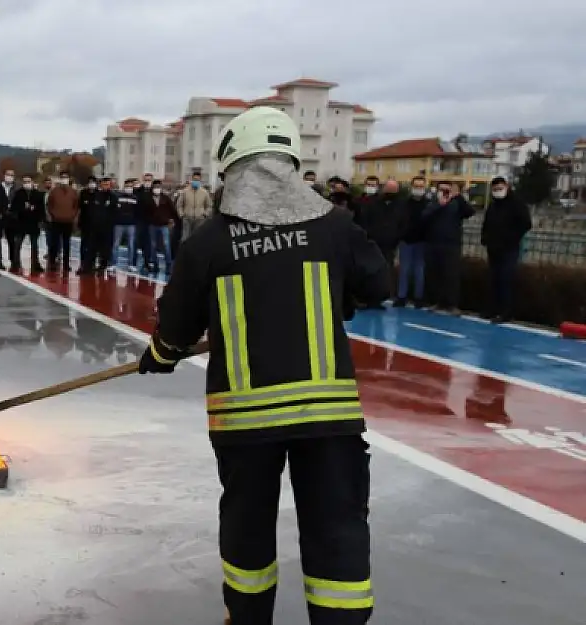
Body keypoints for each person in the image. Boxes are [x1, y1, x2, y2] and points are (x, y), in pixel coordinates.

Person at [137, 106, 388, 625]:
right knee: (337, 528)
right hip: (328, 420)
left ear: (231, 165)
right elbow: (379, 284)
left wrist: (159, 355)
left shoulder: (207, 242)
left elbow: (177, 326)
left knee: (247, 528)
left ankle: (248, 618)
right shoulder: (335, 227)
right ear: (291, 162)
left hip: (246, 424)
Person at [480, 176, 532, 322]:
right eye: (495, 189)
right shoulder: (493, 205)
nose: (498, 192)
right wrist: (484, 238)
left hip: (509, 249)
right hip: (493, 248)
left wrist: (512, 238)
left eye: (500, 189)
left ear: (507, 187)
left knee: (506, 279)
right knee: (494, 279)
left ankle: (505, 312)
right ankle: (492, 309)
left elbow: (526, 223)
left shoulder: (517, 204)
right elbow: (486, 223)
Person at [421, 182, 475, 315]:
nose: (445, 192)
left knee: (451, 275)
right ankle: (437, 302)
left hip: (452, 245)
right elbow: (424, 216)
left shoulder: (457, 203)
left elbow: (470, 212)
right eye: (442, 189)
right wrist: (439, 204)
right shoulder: (433, 202)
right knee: (435, 274)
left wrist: (459, 197)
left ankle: (452, 304)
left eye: (447, 189)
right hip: (433, 243)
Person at [357, 179, 407, 308]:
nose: (391, 192)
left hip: (390, 244)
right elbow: (364, 220)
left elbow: (403, 223)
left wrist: (397, 236)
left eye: (393, 190)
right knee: (369, 271)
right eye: (389, 189)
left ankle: (378, 299)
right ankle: (364, 298)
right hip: (372, 242)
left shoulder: (401, 205)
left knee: (385, 273)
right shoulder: (373, 203)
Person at [395, 176, 429, 308]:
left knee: (419, 270)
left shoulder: (429, 203)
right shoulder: (404, 203)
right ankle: (401, 297)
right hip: (406, 240)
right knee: (404, 269)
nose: (419, 189)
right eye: (416, 186)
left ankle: (418, 298)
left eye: (421, 186)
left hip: (422, 241)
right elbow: (398, 220)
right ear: (411, 187)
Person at [8, 174, 46, 274]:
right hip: (21, 223)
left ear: (32, 182)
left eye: (28, 181)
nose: (27, 183)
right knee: (17, 244)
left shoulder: (38, 194)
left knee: (34, 245)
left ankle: (35, 264)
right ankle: (15, 264)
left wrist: (36, 212)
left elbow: (42, 209)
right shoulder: (18, 194)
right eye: (25, 181)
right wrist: (23, 208)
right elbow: (13, 209)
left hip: (34, 223)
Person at [46, 170, 79, 272]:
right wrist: (52, 215)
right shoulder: (54, 191)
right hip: (56, 221)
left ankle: (66, 264)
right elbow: (49, 205)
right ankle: (52, 262)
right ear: (60, 179)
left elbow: (76, 206)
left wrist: (73, 216)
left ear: (69, 179)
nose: (64, 179)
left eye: (66, 177)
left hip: (68, 221)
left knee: (66, 244)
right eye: (62, 177)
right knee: (54, 243)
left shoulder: (73, 192)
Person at [147, 179, 179, 275]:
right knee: (153, 246)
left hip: (164, 225)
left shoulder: (166, 198)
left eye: (158, 187)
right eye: (155, 187)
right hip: (152, 225)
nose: (157, 189)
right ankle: (155, 265)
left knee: (166, 245)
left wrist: (173, 220)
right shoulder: (148, 198)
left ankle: (168, 266)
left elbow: (173, 210)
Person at [176, 170, 212, 240]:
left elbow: (209, 205)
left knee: (198, 238)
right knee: (185, 238)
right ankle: (184, 250)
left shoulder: (204, 192)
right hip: (187, 219)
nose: (196, 181)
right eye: (195, 179)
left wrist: (205, 214)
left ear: (200, 180)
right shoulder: (185, 191)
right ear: (192, 179)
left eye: (198, 180)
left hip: (200, 219)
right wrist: (182, 215)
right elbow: (179, 204)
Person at [114, 179, 140, 269]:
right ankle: (113, 264)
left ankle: (131, 264)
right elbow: (115, 210)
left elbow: (137, 211)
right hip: (119, 224)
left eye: (130, 186)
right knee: (116, 244)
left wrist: (135, 221)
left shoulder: (135, 198)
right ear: (124, 187)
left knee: (131, 245)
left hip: (131, 225)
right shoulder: (118, 197)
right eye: (127, 186)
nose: (129, 188)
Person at [77, 175, 99, 272]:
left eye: (93, 182)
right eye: (90, 182)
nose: (91, 184)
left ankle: (92, 263)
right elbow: (80, 207)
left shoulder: (99, 194)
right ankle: (83, 263)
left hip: (96, 224)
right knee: (84, 244)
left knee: (94, 244)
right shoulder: (83, 193)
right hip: (85, 223)